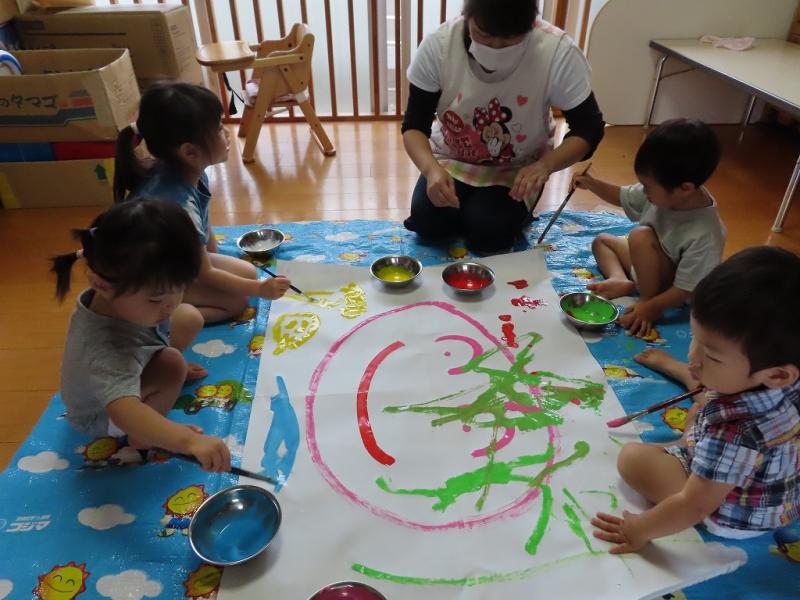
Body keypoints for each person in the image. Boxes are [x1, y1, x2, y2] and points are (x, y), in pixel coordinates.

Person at [592, 246, 800, 553]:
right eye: (694, 339)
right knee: (702, 403)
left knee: (633, 458)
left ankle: (686, 446)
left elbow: (694, 505)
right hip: (774, 487)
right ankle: (690, 436)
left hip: (733, 514)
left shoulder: (734, 433)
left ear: (778, 375)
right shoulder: (780, 377)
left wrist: (639, 529)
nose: (693, 357)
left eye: (712, 356)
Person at [401, 0, 604, 253]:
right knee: (428, 221)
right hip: (451, 158)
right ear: (467, 16)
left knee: (489, 230)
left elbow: (589, 128)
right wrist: (431, 170)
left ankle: (487, 217)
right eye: (483, 34)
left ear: (531, 26)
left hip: (518, 168)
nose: (495, 47)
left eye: (509, 40)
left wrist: (545, 166)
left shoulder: (557, 52)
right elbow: (414, 125)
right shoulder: (440, 45)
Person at [51, 200, 231, 472]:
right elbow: (124, 411)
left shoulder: (121, 294)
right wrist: (186, 440)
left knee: (189, 317)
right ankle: (142, 440)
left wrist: (158, 305)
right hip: (102, 415)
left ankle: (154, 377)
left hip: (127, 367)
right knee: (172, 364)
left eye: (180, 288)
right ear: (102, 285)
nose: (170, 305)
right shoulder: (107, 346)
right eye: (156, 299)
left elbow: (164, 309)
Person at [114, 82, 290, 323]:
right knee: (237, 302)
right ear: (189, 152)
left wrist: (216, 261)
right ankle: (155, 319)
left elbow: (203, 230)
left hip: (174, 262)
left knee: (248, 272)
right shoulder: (177, 204)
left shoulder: (187, 171)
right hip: (150, 281)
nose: (226, 132)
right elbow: (205, 273)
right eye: (218, 128)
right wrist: (260, 289)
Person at [573, 118, 725, 336]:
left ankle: (646, 296)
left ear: (685, 189)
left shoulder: (707, 233)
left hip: (670, 288)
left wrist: (651, 307)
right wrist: (592, 184)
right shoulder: (664, 188)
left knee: (640, 236)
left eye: (647, 187)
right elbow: (622, 196)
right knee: (602, 241)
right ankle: (619, 278)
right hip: (645, 265)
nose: (644, 192)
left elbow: (686, 288)